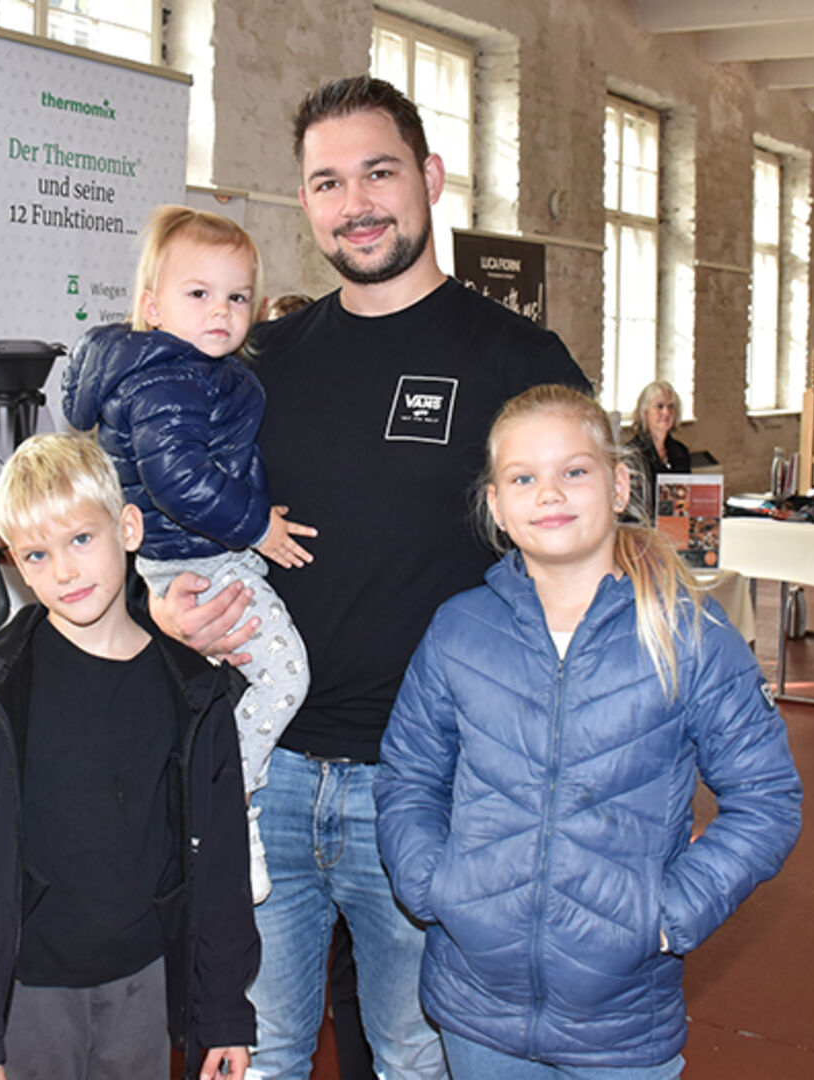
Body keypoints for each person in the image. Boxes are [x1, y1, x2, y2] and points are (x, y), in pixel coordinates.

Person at [152, 76, 589, 1079]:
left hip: (430, 784)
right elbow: (169, 529)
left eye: (377, 172)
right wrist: (164, 607)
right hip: (262, 772)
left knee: (413, 1053)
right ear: (304, 202)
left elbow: (581, 565)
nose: (354, 203)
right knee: (253, 1052)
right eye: (326, 182)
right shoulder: (255, 361)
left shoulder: (516, 359)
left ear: (430, 178)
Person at [375, 385, 803, 1079]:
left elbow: (767, 800)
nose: (549, 494)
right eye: (523, 478)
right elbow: (409, 774)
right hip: (475, 1006)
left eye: (573, 471)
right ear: (495, 505)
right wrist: (430, 884)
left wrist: (669, 914)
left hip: (621, 1018)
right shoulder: (458, 631)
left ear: (619, 484)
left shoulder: (686, 634)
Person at [0, 432, 258, 1080]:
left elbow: (220, 858)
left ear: (127, 527)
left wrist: (222, 1011)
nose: (65, 570)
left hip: (143, 984)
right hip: (28, 996)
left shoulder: (193, 690)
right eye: (37, 554)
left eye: (81, 539)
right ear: (16, 565)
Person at [61, 205, 315, 905]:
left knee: (210, 695)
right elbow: (176, 479)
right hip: (200, 555)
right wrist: (256, 525)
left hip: (185, 556)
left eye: (235, 297)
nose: (220, 313)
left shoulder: (182, 371)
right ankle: (228, 801)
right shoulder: (169, 377)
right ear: (151, 306)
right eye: (197, 294)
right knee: (284, 676)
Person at [626, 380, 692, 515]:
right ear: (645, 412)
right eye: (659, 406)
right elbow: (631, 506)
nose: (666, 412)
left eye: (671, 406)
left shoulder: (681, 452)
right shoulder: (631, 454)